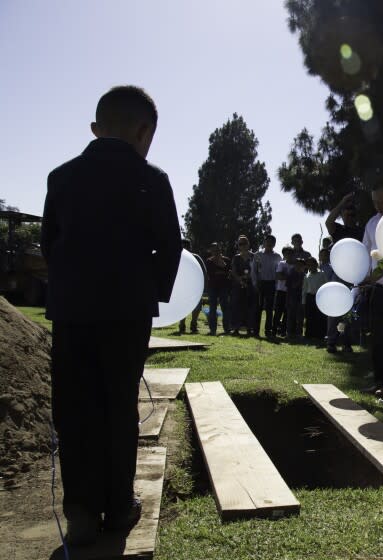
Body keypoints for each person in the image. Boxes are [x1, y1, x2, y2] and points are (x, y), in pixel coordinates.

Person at [41, 85, 181, 545]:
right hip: (127, 311)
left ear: (96, 129)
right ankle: (119, 507)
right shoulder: (152, 179)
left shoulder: (61, 177)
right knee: (120, 405)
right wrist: (153, 293)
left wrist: (68, 286)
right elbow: (170, 246)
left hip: (73, 310)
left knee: (75, 405)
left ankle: (80, 509)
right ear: (144, 132)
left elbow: (49, 244)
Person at [361, 186, 383, 396]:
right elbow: (365, 252)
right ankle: (379, 380)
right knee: (377, 338)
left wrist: (375, 275)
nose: (379, 206)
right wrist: (364, 277)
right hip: (376, 288)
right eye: (375, 202)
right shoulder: (372, 223)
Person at [253, 235, 283, 338]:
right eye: (267, 241)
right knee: (258, 308)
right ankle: (255, 331)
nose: (269, 244)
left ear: (274, 244)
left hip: (271, 284)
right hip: (260, 283)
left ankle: (268, 331)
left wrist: (276, 285)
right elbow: (254, 271)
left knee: (269, 309)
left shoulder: (278, 257)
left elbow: (279, 272)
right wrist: (255, 283)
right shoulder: (257, 255)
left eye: (271, 242)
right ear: (264, 242)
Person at [178, 238, 206, 334]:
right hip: (182, 288)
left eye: (186, 246)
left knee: (197, 307)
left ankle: (193, 324)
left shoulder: (196, 258)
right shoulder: (177, 258)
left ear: (190, 247)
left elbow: (203, 272)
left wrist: (203, 286)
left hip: (195, 288)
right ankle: (182, 324)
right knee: (182, 306)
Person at [230, 235, 256, 335]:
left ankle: (249, 328)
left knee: (250, 306)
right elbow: (233, 271)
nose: (243, 245)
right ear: (238, 246)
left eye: (244, 243)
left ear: (248, 244)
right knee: (237, 306)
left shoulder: (254, 256)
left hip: (251, 285)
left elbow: (257, 270)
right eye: (240, 244)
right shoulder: (236, 257)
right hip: (238, 285)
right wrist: (240, 279)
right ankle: (236, 328)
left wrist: (249, 276)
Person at [205, 242, 231, 336]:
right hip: (212, 287)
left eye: (217, 250)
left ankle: (227, 329)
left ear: (220, 250)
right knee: (212, 308)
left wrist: (221, 262)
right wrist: (221, 270)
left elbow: (227, 271)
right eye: (214, 250)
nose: (216, 252)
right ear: (211, 251)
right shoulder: (208, 261)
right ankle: (213, 330)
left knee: (225, 308)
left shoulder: (227, 260)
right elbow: (211, 274)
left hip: (224, 287)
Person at [302, 253, 329, 340]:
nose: (310, 266)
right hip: (310, 297)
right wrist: (303, 301)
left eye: (312, 264)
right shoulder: (307, 276)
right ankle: (309, 334)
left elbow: (326, 286)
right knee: (310, 316)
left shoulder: (322, 274)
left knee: (320, 316)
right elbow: (304, 290)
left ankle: (320, 334)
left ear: (316, 264)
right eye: (308, 265)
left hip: (320, 297)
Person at [273, 246, 293, 337]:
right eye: (286, 253)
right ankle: (274, 330)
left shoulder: (294, 266)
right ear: (283, 254)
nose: (288, 255)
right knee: (278, 312)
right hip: (281, 291)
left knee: (287, 313)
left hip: (290, 292)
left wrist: (285, 276)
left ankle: (283, 331)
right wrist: (289, 277)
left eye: (290, 253)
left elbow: (282, 276)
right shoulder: (281, 264)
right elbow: (278, 276)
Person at [285, 257, 306, 339]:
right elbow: (292, 286)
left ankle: (299, 334)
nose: (299, 266)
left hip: (301, 298)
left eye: (301, 265)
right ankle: (289, 333)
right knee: (291, 316)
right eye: (297, 264)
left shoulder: (305, 275)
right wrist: (301, 280)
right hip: (292, 298)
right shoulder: (291, 274)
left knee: (300, 317)